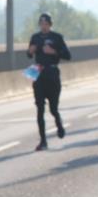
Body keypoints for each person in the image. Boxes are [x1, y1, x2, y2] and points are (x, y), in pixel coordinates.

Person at [27, 13, 71, 151]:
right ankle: (43, 141)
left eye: (46, 24)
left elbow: (67, 55)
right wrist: (30, 51)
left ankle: (59, 124)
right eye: (41, 23)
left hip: (52, 74)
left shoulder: (57, 37)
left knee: (53, 108)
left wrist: (53, 52)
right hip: (39, 74)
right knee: (40, 108)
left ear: (50, 25)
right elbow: (29, 54)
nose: (43, 26)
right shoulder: (35, 37)